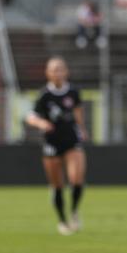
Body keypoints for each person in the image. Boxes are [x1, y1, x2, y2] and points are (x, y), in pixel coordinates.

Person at [25, 57, 88, 235]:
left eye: (60, 69)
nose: (57, 73)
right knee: (57, 185)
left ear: (66, 72)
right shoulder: (44, 95)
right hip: (52, 142)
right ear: (47, 73)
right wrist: (41, 123)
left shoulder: (73, 92)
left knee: (76, 179)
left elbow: (78, 111)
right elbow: (30, 116)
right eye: (53, 69)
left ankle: (74, 211)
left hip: (71, 140)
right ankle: (62, 221)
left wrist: (82, 129)